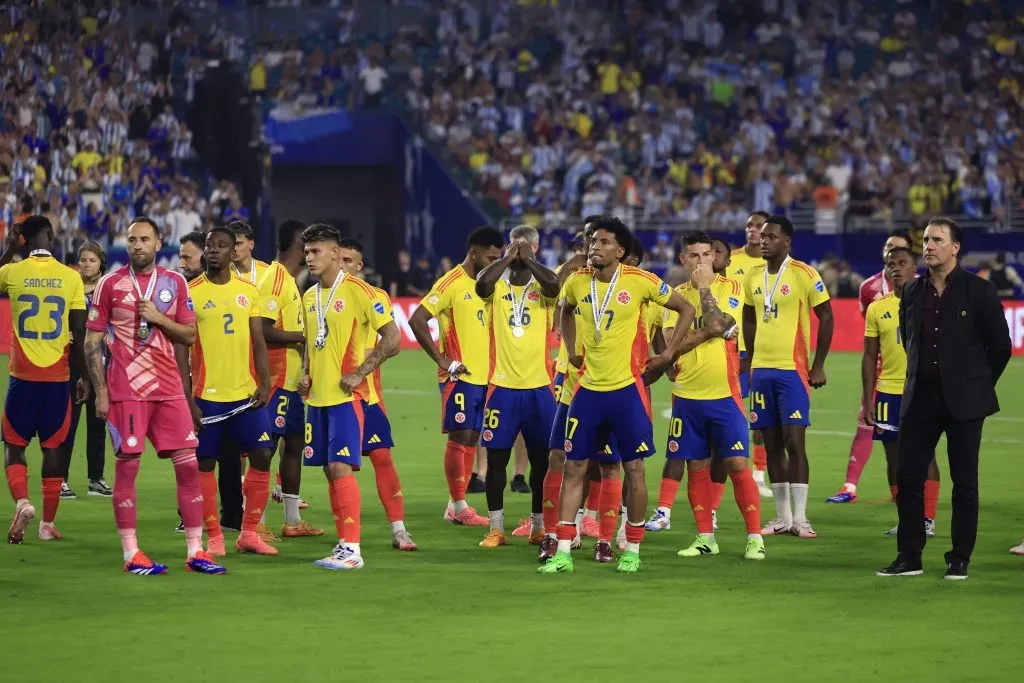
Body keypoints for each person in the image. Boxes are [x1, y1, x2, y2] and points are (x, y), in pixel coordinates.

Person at [539, 218, 704, 575]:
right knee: (574, 469)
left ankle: (632, 548)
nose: (594, 246)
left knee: (634, 469)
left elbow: (686, 310)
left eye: (602, 242)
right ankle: (563, 552)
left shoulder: (641, 281)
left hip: (627, 391)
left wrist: (667, 354)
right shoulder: (577, 280)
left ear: (621, 251)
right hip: (587, 390)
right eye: (592, 241)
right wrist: (571, 347)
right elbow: (563, 310)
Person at [85, 217, 224, 575]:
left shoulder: (175, 282)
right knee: (127, 468)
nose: (136, 245)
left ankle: (196, 551)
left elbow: (189, 335)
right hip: (126, 390)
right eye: (131, 240)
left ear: (159, 242)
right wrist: (101, 392)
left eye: (144, 239)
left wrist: (159, 318)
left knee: (189, 466)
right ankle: (131, 553)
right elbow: (92, 341)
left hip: (169, 390)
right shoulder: (109, 284)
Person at [878, 218, 1011, 580]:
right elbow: (909, 340)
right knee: (908, 478)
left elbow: (1000, 347)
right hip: (920, 397)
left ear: (955, 248)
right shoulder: (912, 291)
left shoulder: (980, 291)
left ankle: (960, 558)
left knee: (965, 481)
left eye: (937, 240)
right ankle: (909, 556)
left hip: (965, 400)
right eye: (925, 240)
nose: (928, 246)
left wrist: (975, 383)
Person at [656, 232, 766, 560]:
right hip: (687, 395)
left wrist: (704, 291)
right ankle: (705, 536)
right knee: (697, 466)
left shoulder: (732, 288)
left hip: (724, 393)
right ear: (683, 260)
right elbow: (674, 346)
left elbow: (720, 322)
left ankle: (755, 537)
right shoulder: (672, 297)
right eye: (694, 256)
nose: (702, 262)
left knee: (736, 462)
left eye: (707, 255)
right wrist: (703, 333)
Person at [297, 223, 400, 570]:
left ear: (335, 254)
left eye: (315, 251)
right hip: (318, 399)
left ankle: (353, 550)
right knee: (329, 469)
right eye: (306, 251)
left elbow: (393, 338)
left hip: (347, 399)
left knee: (341, 466)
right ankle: (343, 545)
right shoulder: (310, 296)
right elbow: (313, 343)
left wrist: (360, 373)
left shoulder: (360, 291)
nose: (309, 257)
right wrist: (307, 373)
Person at [182, 226, 278, 557]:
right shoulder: (190, 291)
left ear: (232, 252)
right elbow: (182, 351)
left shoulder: (248, 291)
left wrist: (265, 382)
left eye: (222, 246)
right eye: (209, 246)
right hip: (206, 396)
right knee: (204, 463)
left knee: (263, 455)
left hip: (245, 393)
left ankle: (249, 533)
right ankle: (216, 537)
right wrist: (188, 398)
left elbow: (259, 340)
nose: (214, 251)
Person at [741, 215, 834, 538]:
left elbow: (827, 316)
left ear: (787, 242)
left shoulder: (804, 274)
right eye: (762, 236)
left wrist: (818, 364)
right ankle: (782, 518)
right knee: (772, 442)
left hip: (792, 370)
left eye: (771, 236)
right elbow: (749, 320)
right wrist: (749, 361)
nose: (763, 240)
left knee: (795, 441)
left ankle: (801, 517)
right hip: (762, 371)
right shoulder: (752, 277)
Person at [409, 227, 504, 527]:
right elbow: (417, 319)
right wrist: (443, 359)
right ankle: (458, 504)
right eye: (490, 258)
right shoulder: (450, 282)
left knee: (474, 437)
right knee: (460, 437)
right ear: (474, 253)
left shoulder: (487, 286)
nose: (493, 264)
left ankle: (456, 503)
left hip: (484, 376)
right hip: (458, 376)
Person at [473, 224, 561, 548]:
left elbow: (554, 285)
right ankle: (496, 528)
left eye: (525, 249)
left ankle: (538, 527)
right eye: (514, 247)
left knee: (542, 461)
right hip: (502, 387)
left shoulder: (543, 291)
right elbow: (482, 283)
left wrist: (530, 259)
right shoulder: (496, 289)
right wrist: (508, 257)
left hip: (540, 388)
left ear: (535, 251)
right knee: (497, 458)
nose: (519, 254)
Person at [1, 216, 87, 543]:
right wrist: (85, 380)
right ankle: (47, 524)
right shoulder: (71, 278)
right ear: (50, 235)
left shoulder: (12, 272)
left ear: (22, 240)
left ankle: (23, 501)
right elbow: (79, 333)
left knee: (14, 444)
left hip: (21, 377)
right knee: (54, 448)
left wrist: (9, 250)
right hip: (57, 377)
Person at [337, 238, 417, 551]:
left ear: (359, 266)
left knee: (382, 457)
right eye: (339, 258)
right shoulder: (318, 296)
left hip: (368, 396)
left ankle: (399, 530)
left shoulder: (374, 296)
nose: (343, 265)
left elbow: (393, 342)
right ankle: (344, 536)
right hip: (331, 396)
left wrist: (366, 364)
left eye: (349, 260)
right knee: (336, 467)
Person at [827, 229, 914, 503]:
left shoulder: (924, 288)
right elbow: (873, 335)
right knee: (869, 426)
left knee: (916, 443)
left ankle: (922, 507)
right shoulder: (869, 288)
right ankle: (850, 486)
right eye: (890, 249)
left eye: (901, 252)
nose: (894, 256)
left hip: (915, 375)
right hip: (882, 372)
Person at [861, 247, 940, 537]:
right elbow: (870, 356)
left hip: (921, 390)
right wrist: (867, 398)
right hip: (887, 393)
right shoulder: (877, 308)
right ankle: (908, 518)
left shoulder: (931, 300)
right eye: (890, 264)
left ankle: (927, 519)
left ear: (914, 266)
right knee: (893, 459)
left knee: (926, 455)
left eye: (902, 263)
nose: (895, 268)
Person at [257, 219, 321, 538]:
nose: (313, 252)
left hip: (293, 385)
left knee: (295, 445)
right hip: (276, 380)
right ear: (299, 244)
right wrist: (301, 336)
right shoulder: (275, 279)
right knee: (265, 449)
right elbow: (262, 329)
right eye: (309, 246)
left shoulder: (292, 281)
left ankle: (292, 521)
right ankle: (254, 522)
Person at [59, 241, 111, 499]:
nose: (86, 265)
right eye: (83, 260)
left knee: (98, 423)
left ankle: (96, 479)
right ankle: (60, 479)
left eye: (91, 260)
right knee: (68, 423)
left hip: (103, 362)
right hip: (75, 363)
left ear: (101, 262)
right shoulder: (71, 286)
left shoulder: (109, 288)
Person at [726, 211, 772, 497]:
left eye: (759, 227)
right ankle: (727, 468)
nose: (752, 231)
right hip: (732, 348)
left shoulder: (774, 263)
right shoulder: (731, 259)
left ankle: (758, 474)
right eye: (749, 226)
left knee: (760, 415)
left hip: (763, 351)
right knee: (730, 411)